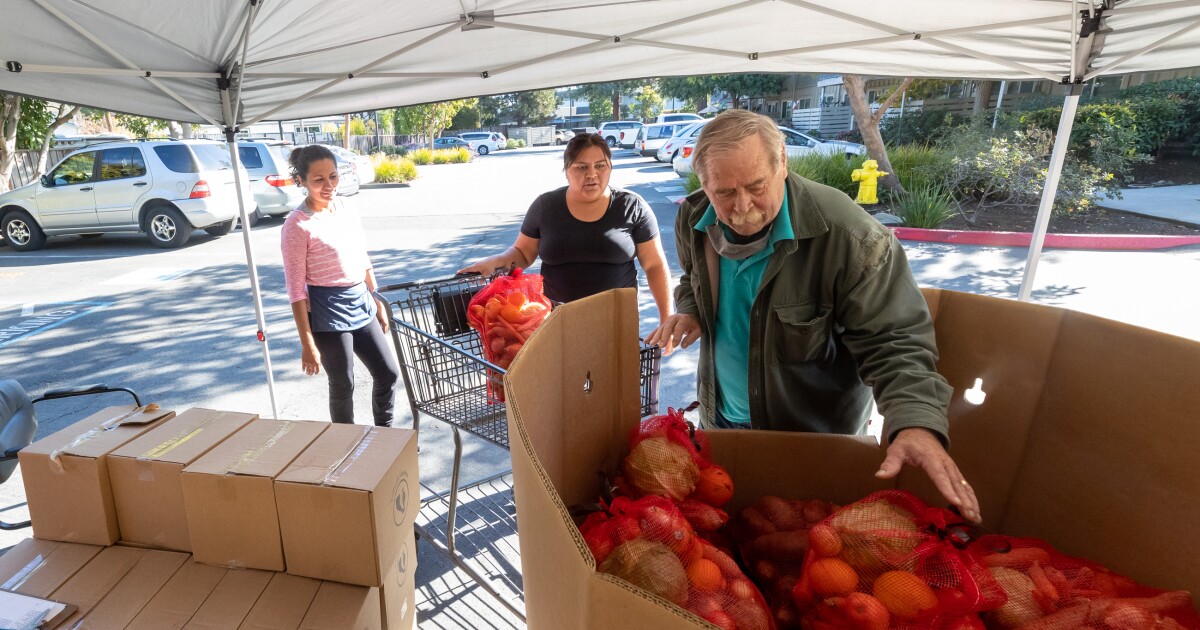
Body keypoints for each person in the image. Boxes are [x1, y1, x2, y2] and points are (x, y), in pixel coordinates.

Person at [645, 110, 980, 522]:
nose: (742, 207)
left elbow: (894, 340)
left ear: (782, 162)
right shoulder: (693, 219)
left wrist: (913, 422)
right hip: (722, 425)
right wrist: (691, 311)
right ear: (704, 184)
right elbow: (692, 279)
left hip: (811, 444)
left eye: (756, 187)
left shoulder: (851, 237)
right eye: (724, 193)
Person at [458, 134, 673, 322]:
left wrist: (666, 317)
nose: (592, 174)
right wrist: (493, 263)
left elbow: (654, 264)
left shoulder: (632, 206)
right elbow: (523, 252)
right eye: (581, 167)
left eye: (600, 165)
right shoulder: (546, 206)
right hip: (557, 324)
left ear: (610, 167)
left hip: (617, 323)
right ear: (566, 170)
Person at [281, 145, 399, 427]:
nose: (329, 185)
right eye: (318, 179)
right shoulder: (296, 226)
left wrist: (377, 299)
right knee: (343, 383)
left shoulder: (346, 207)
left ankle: (387, 437)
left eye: (333, 176)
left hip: (360, 300)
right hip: (325, 311)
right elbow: (296, 291)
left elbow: (362, 256)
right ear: (301, 181)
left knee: (388, 373)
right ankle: (345, 446)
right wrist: (307, 343)